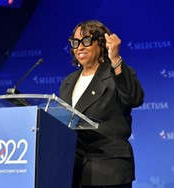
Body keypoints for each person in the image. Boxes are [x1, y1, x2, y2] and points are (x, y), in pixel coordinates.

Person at [59, 20, 144, 188]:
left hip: (108, 170)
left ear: (102, 43)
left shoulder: (116, 73)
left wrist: (116, 60)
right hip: (73, 172)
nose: (80, 47)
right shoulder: (68, 82)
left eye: (86, 41)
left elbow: (135, 98)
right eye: (76, 42)